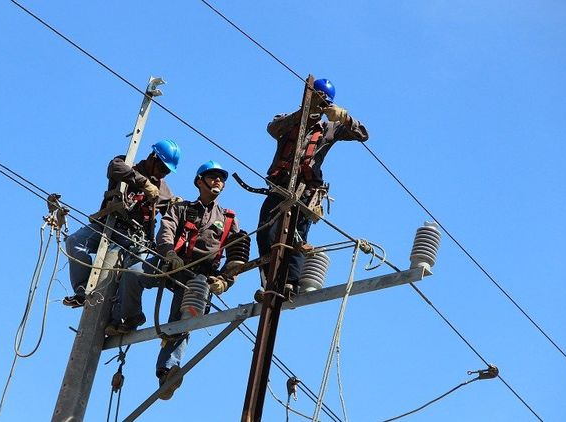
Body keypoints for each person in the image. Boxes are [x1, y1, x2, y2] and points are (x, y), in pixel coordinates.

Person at [113, 160, 240, 400]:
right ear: (199, 181)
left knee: (183, 321)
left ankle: (167, 371)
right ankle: (130, 317)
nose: (218, 181)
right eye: (213, 176)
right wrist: (169, 253)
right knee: (134, 273)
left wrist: (224, 280)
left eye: (221, 178)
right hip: (172, 262)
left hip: (198, 277)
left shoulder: (229, 219)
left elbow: (236, 257)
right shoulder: (181, 208)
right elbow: (167, 229)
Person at [256, 78, 369, 293]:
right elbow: (273, 128)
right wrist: (304, 113)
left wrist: (344, 117)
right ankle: (269, 282)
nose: (318, 103)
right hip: (280, 187)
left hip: (305, 191)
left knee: (297, 238)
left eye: (322, 100)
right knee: (265, 232)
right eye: (315, 98)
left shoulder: (329, 128)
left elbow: (363, 134)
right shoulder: (289, 121)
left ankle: (291, 284)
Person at [62, 139, 181, 312]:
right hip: (108, 226)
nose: (163, 174)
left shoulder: (163, 190)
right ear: (152, 158)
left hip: (134, 239)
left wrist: (177, 206)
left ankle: (123, 317)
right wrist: (144, 183)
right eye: (162, 168)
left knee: (131, 274)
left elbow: (173, 217)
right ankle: (83, 291)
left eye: (167, 172)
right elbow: (114, 167)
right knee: (74, 241)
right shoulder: (128, 164)